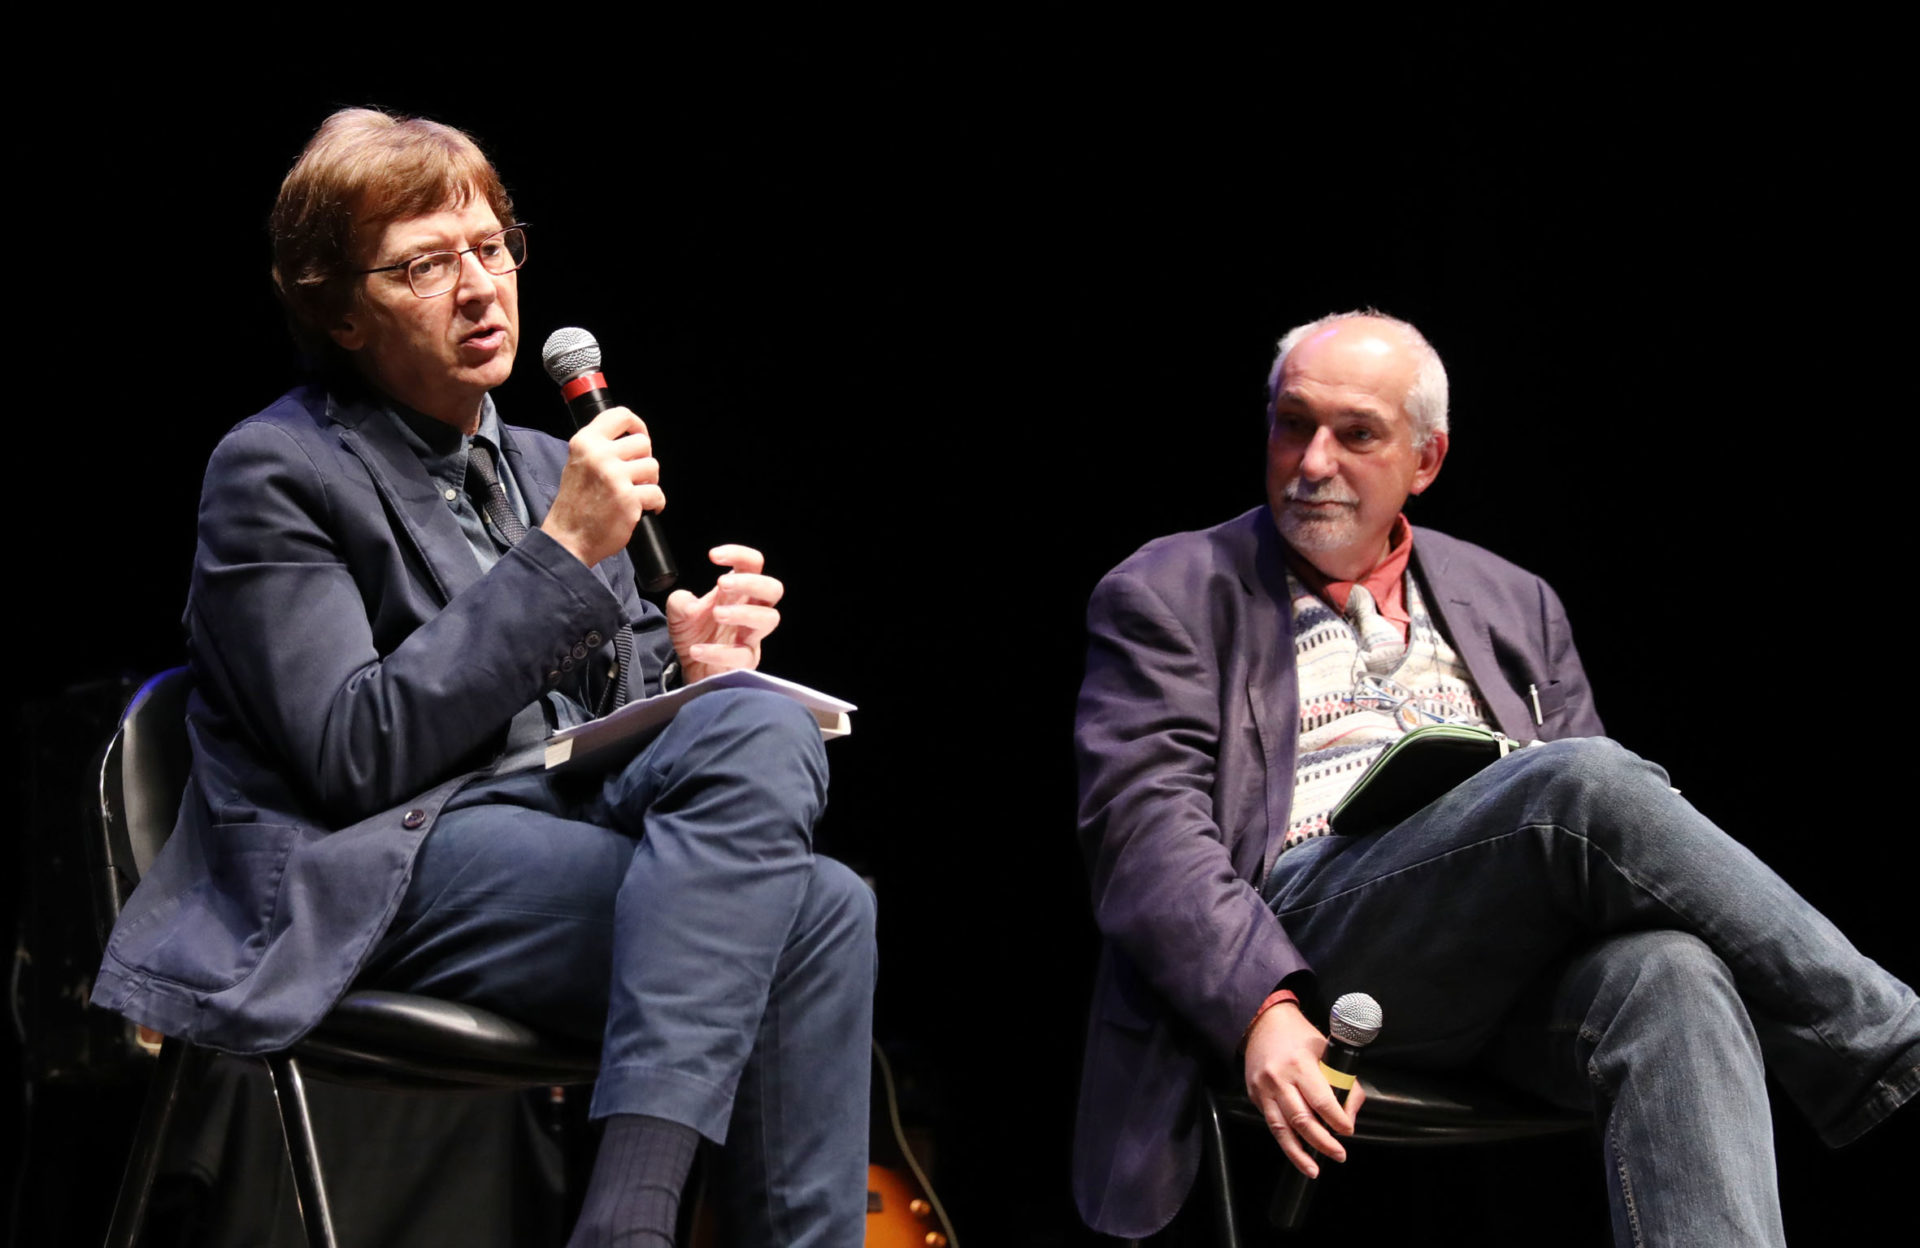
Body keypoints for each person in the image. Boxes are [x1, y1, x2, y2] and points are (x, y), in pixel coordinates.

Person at [91, 108, 875, 1248]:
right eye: (423, 264)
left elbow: (590, 727)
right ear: (341, 308)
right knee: (810, 919)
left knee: (768, 753)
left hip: (549, 831)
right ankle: (631, 1219)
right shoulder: (275, 472)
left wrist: (697, 667)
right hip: (380, 867)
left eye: (490, 247)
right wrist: (559, 556)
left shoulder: (548, 464)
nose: (477, 287)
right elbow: (355, 753)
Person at [1070, 310, 1919, 1244]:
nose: (1313, 463)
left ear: (1424, 462)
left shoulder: (1516, 601)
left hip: (1490, 973)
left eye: (1356, 436)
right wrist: (1261, 1005)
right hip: (1305, 934)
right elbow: (1146, 839)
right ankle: (1887, 1043)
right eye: (1292, 424)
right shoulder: (1169, 590)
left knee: (1673, 971)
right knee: (1581, 787)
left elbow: (1622, 864)